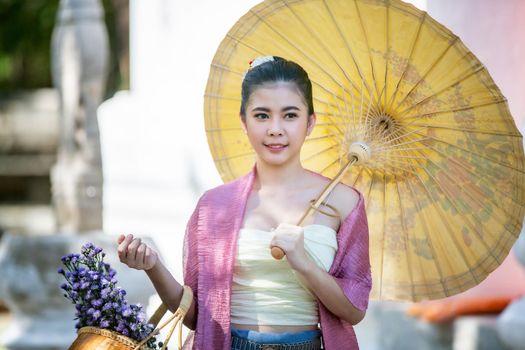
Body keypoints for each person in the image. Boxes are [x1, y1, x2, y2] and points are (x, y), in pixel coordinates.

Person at [117, 56, 372, 350]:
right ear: (244, 122)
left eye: (290, 115)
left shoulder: (343, 201)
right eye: (262, 115)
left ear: (310, 122)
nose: (275, 129)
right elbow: (198, 318)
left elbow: (355, 310)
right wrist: (153, 266)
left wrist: (304, 264)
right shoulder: (215, 206)